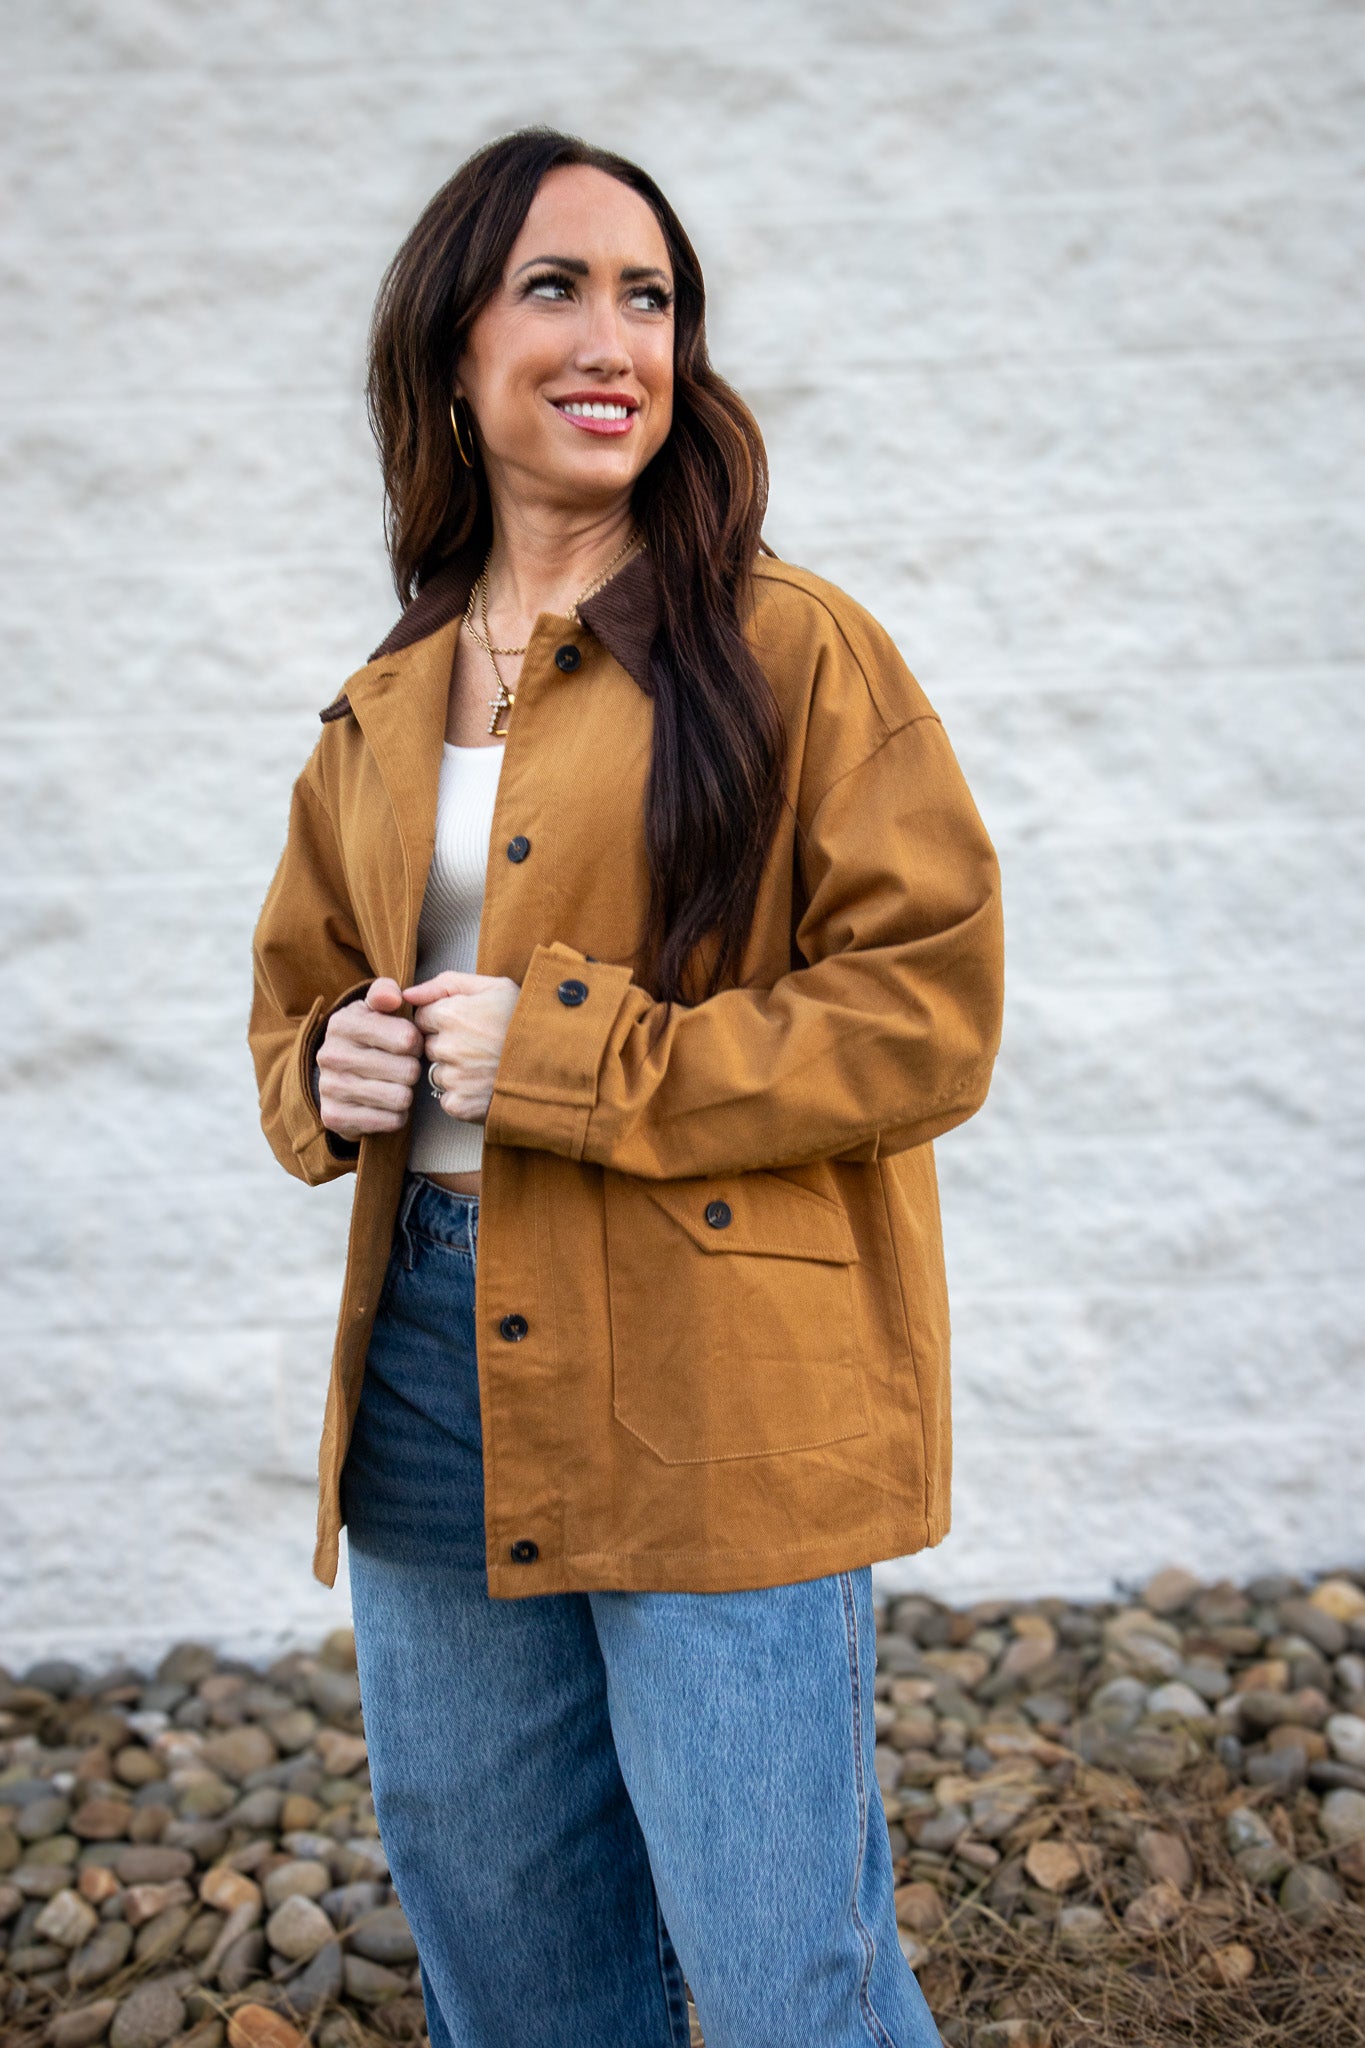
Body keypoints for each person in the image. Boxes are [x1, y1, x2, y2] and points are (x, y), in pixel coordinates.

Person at [249, 125, 1003, 2048]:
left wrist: (575, 1061)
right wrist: (330, 1070)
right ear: (448, 354)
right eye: (556, 286)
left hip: (712, 1368)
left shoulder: (790, 647)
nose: (615, 337)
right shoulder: (384, 697)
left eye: (650, 295)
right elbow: (293, 999)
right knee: (509, 1952)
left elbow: (928, 1010)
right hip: (427, 1347)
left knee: (780, 1971)